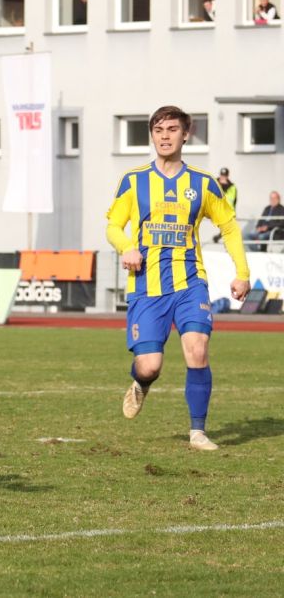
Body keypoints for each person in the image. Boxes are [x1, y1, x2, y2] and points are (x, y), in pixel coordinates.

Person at [106, 106, 250, 451]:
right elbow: (113, 226)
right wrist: (126, 247)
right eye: (158, 130)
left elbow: (229, 227)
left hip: (190, 283)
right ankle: (140, 383)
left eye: (172, 129)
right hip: (146, 285)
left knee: (197, 349)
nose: (165, 136)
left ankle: (198, 431)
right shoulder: (134, 180)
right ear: (152, 136)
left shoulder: (203, 183)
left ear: (186, 135)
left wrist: (242, 273)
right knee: (150, 366)